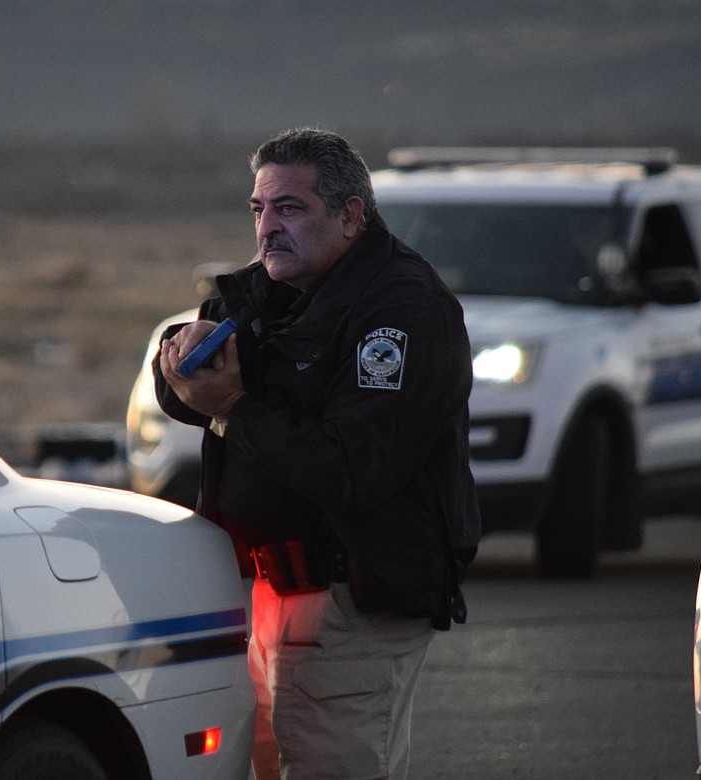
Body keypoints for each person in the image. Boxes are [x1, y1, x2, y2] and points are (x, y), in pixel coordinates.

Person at [153, 128, 480, 780]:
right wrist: (178, 351)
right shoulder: (268, 290)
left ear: (351, 215)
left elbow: (352, 467)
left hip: (350, 605)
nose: (268, 227)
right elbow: (186, 390)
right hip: (269, 597)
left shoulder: (400, 307)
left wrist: (235, 406)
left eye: (290, 208)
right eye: (259, 209)